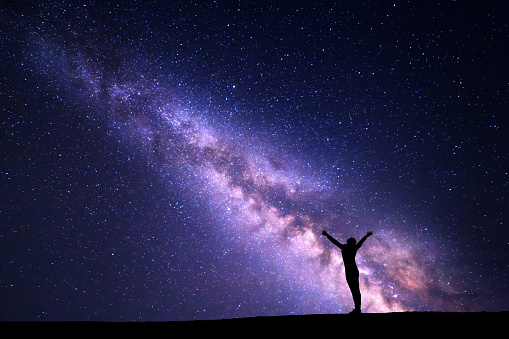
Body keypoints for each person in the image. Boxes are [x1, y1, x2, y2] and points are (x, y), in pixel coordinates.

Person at [322, 229, 373, 314]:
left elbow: (335, 242)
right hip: (351, 270)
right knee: (355, 290)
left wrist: (327, 235)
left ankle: (357, 309)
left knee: (355, 290)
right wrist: (366, 236)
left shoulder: (345, 247)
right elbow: (360, 242)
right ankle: (357, 309)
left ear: (349, 242)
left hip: (351, 270)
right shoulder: (351, 248)